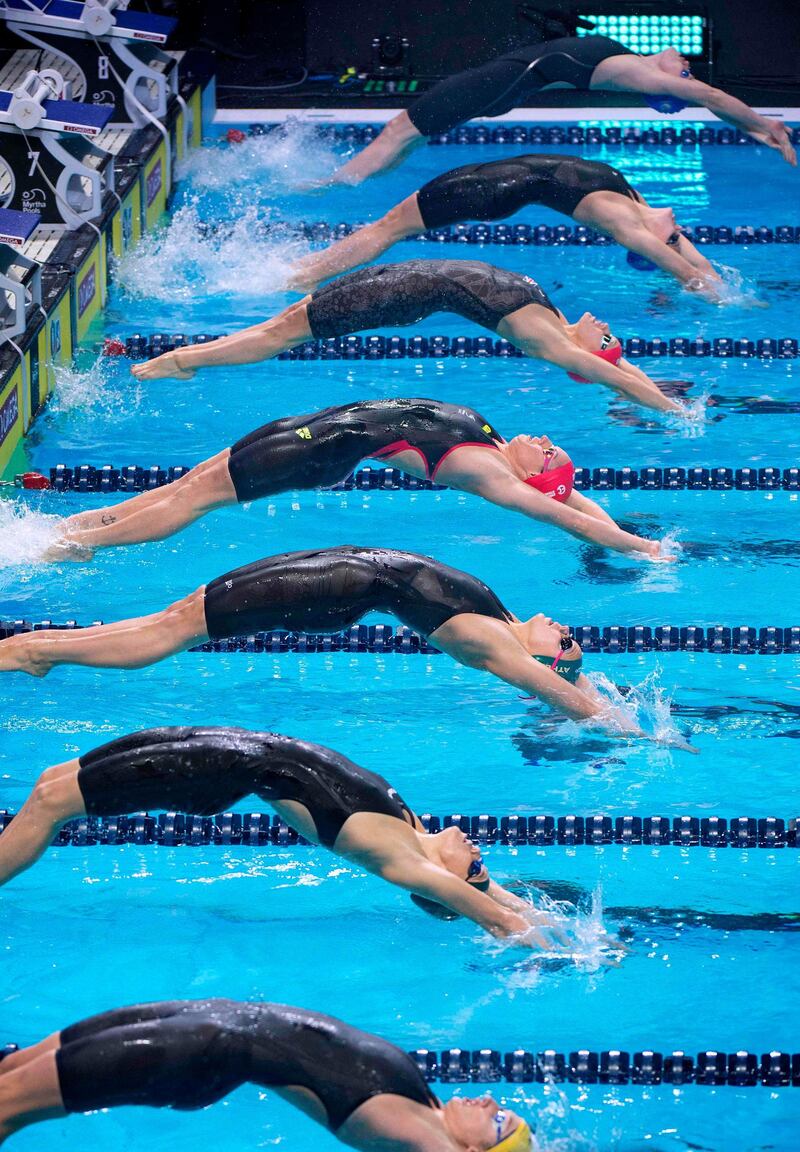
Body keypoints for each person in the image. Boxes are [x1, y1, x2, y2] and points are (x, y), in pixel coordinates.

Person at [0, 545, 695, 750]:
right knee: (176, 618)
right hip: (328, 573)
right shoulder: (504, 619)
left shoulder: (492, 645)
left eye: (566, 640)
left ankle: (36, 654)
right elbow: (571, 688)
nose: (563, 623)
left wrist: (638, 732)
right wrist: (595, 683)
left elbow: (564, 701)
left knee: (170, 631)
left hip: (322, 590)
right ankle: (38, 650)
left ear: (544, 658)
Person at [0, 724, 567, 946]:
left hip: (217, 766)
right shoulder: (414, 832)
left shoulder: (401, 860)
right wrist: (548, 915)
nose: (478, 852)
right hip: (224, 745)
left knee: (52, 803)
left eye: (473, 867)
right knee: (55, 782)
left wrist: (564, 950)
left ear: (445, 883)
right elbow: (500, 899)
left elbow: (495, 917)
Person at [49, 399, 674, 561]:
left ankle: (70, 547)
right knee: (186, 486)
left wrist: (642, 549)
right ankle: (66, 529)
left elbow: (562, 513)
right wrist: (612, 518)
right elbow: (575, 498)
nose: (542, 441)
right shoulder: (493, 440)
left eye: (547, 452)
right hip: (312, 427)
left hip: (317, 450)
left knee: (196, 501)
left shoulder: (492, 475)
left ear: (533, 476)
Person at [129, 259, 688, 416]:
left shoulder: (552, 342)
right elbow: (623, 370)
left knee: (281, 334)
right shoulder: (555, 317)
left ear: (588, 355)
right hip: (401, 276)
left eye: (608, 339)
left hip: (396, 295)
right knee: (289, 318)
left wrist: (668, 409)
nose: (610, 331)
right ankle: (189, 357)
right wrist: (648, 382)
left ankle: (185, 359)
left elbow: (612, 375)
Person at [0, 998, 537, 1149]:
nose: (491, 1103)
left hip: (200, 1051)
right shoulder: (424, 1103)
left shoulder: (425, 1140)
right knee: (12, 1072)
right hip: (204, 1020)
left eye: (499, 1124)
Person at [320, 37, 796, 185]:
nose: (686, 67)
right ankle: (348, 179)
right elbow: (711, 100)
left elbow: (711, 97)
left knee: (400, 130)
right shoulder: (628, 57)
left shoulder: (640, 75)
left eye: (684, 78)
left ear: (667, 87)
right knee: (407, 136)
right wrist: (750, 126)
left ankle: (328, 185)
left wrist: (764, 124)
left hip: (496, 83)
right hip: (503, 85)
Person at [288, 155, 720, 297]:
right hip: (493, 185)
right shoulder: (630, 208)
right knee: (387, 227)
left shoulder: (629, 212)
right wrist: (714, 283)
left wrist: (718, 292)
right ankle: (306, 269)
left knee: (389, 228)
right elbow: (686, 259)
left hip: (491, 189)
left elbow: (680, 260)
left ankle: (303, 276)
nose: (679, 232)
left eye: (674, 239)